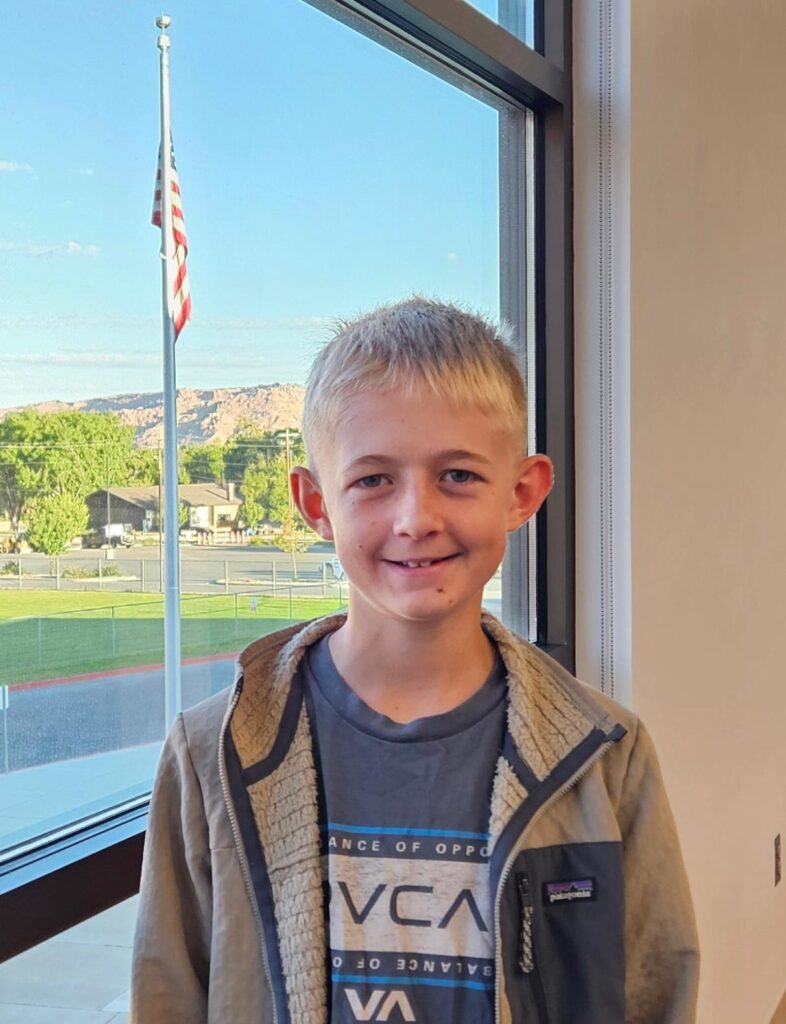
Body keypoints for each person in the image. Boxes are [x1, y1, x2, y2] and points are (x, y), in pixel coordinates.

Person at [131, 297, 699, 1023]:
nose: (416, 518)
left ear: (521, 493)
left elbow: (656, 994)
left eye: (457, 475)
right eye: (372, 480)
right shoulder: (212, 753)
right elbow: (168, 996)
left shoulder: (607, 759)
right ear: (315, 503)